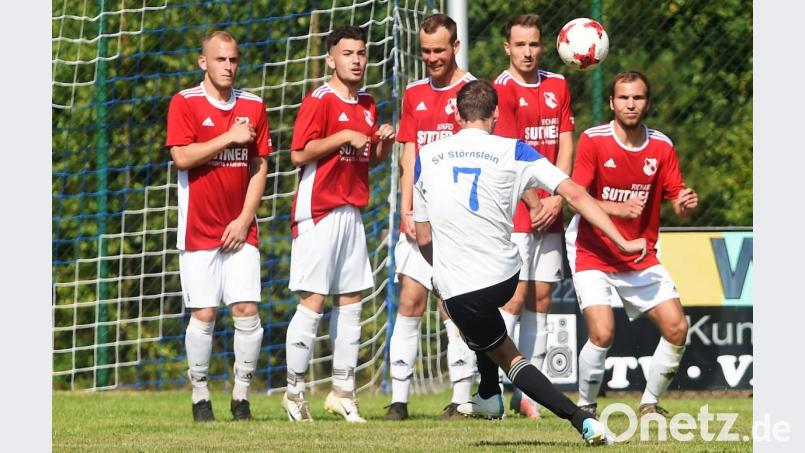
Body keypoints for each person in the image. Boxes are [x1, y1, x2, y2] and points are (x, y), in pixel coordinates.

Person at [414, 80, 647, 445]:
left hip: (462, 289)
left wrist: (441, 272)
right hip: (507, 275)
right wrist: (622, 239)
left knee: (504, 351)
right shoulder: (515, 150)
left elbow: (423, 235)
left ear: (456, 115)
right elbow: (574, 194)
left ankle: (580, 420)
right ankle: (489, 394)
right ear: (495, 115)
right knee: (483, 322)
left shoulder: (426, 156)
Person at [281, 25, 395, 423]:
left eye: (361, 53)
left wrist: (381, 143)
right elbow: (299, 153)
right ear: (332, 59)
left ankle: (343, 391)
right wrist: (345, 134)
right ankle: (294, 393)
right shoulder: (320, 100)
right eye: (348, 54)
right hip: (319, 211)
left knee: (352, 301)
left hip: (352, 211)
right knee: (313, 301)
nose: (357, 60)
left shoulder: (367, 103)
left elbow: (367, 160)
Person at [567, 71, 697, 418]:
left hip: (639, 254)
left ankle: (649, 403)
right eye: (623, 98)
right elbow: (575, 198)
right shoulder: (594, 140)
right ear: (611, 103)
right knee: (603, 332)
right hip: (593, 251)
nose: (630, 104)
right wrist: (617, 208)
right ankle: (585, 407)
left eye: (637, 98)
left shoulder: (661, 146)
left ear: (647, 103)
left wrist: (683, 204)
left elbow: (677, 201)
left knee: (677, 327)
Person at [166, 30, 271, 422]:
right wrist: (228, 136)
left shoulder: (254, 106)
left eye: (233, 60)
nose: (228, 66)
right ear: (203, 62)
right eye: (220, 59)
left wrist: (244, 219)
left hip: (240, 228)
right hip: (198, 229)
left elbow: (260, 166)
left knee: (246, 310)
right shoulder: (185, 103)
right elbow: (182, 156)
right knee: (205, 314)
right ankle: (199, 396)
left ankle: (241, 397)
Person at [385, 13, 480, 421]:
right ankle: (399, 400)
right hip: (418, 219)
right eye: (425, 51)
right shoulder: (414, 94)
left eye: (439, 50)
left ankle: (461, 400)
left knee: (453, 307)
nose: (432, 58)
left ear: (455, 47)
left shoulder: (474, 92)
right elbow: (409, 154)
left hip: (457, 223)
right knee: (410, 300)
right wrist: (406, 208)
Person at [493, 14, 576, 419]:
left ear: (544, 46)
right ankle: (495, 387)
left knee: (542, 297)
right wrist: (533, 201)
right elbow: (507, 155)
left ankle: (530, 394)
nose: (528, 52)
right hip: (517, 210)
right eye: (520, 45)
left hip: (551, 207)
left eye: (534, 44)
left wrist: (558, 196)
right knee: (514, 297)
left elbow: (565, 139)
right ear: (507, 47)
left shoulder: (558, 84)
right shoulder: (501, 89)